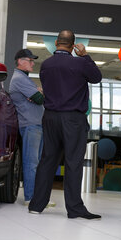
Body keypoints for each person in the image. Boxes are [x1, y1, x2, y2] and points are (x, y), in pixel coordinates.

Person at [28, 30, 102, 219]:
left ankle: (36, 205)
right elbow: (96, 77)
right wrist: (85, 56)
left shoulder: (46, 64)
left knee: (47, 160)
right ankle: (75, 209)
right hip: (72, 119)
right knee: (73, 162)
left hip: (50, 117)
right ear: (73, 45)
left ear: (56, 43)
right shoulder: (79, 63)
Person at [9, 49, 54, 207]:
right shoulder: (20, 79)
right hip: (30, 125)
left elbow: (37, 97)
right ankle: (30, 197)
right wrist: (39, 92)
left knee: (38, 163)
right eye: (30, 60)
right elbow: (39, 98)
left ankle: (37, 197)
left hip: (36, 125)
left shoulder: (24, 79)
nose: (33, 63)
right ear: (20, 62)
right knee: (31, 163)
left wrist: (38, 92)